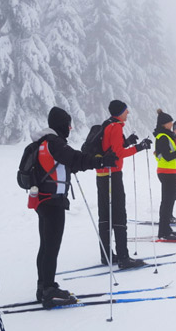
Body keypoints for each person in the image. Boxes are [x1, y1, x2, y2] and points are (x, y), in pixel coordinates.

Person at [31, 107, 117, 308]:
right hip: (53, 201)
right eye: (68, 124)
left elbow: (72, 163)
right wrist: (102, 161)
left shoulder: (42, 143)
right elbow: (77, 159)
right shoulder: (55, 143)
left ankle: (43, 286)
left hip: (42, 201)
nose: (70, 128)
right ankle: (49, 291)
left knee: (45, 245)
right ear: (62, 125)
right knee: (51, 247)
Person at [96, 100, 152, 269]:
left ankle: (106, 255)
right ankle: (123, 258)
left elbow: (110, 148)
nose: (128, 113)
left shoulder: (107, 125)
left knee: (105, 216)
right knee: (119, 215)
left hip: (102, 175)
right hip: (113, 175)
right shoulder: (116, 127)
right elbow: (118, 153)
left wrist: (127, 142)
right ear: (119, 112)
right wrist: (139, 147)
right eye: (126, 111)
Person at [153, 110, 176, 240]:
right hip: (166, 172)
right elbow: (167, 156)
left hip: (170, 172)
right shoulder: (162, 136)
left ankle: (166, 228)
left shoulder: (166, 135)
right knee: (167, 202)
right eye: (170, 122)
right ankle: (163, 231)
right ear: (164, 124)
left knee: (169, 200)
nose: (171, 124)